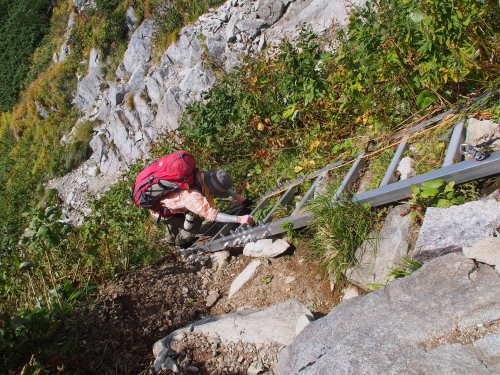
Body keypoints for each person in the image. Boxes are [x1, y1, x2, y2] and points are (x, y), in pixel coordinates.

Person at [158, 168, 254, 246]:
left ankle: (170, 239)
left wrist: (241, 199)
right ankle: (179, 244)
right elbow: (212, 215)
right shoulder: (193, 195)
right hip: (163, 208)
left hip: (174, 201)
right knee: (193, 226)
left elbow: (222, 185)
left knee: (182, 221)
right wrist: (240, 219)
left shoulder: (203, 176)